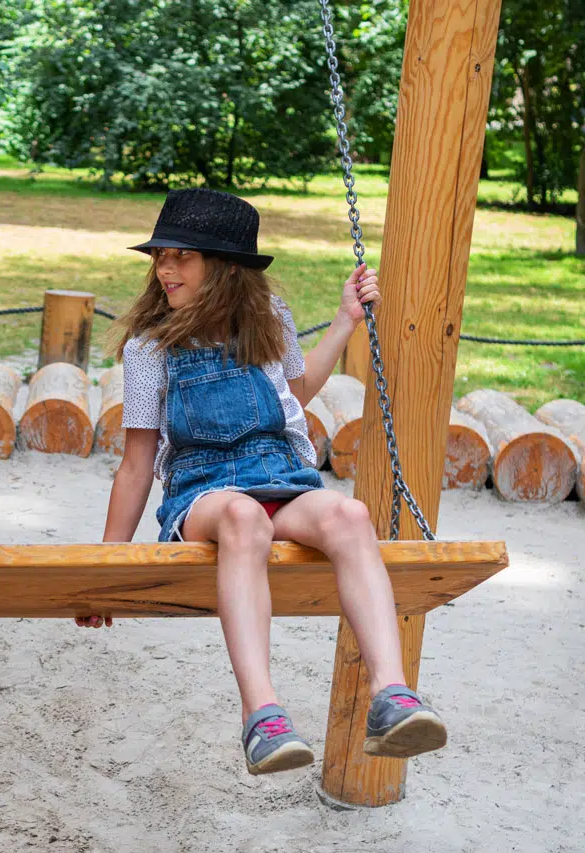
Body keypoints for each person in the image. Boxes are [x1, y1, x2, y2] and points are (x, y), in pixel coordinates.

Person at [91, 188, 447, 775]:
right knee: (242, 518)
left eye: (182, 256)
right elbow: (137, 463)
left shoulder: (267, 321)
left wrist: (345, 321)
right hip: (202, 492)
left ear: (225, 268)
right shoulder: (149, 347)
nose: (164, 268)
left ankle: (392, 697)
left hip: (281, 474)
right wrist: (106, 566)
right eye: (160, 255)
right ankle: (263, 716)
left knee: (349, 515)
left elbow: (294, 396)